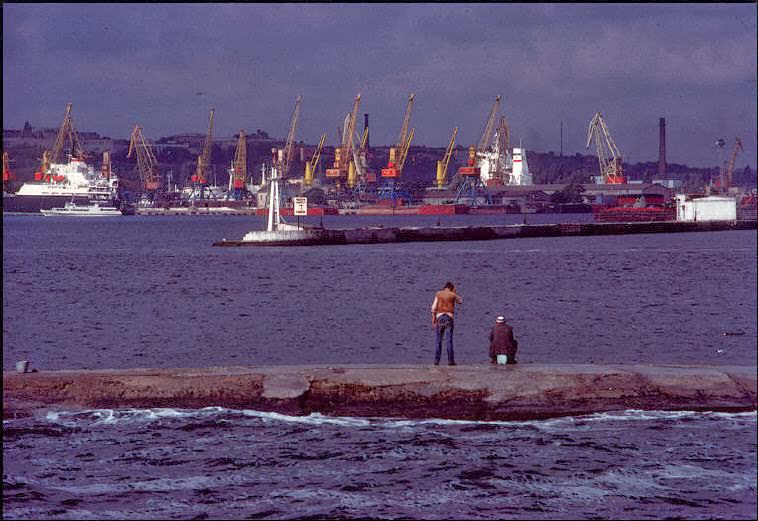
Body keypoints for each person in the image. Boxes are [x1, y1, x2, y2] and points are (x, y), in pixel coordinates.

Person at [430, 281, 463, 366]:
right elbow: (460, 301)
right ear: (451, 288)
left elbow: (433, 308)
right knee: (449, 340)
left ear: (444, 287)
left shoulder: (438, 294)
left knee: (438, 340)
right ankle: (450, 361)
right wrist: (455, 293)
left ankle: (436, 360)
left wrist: (433, 320)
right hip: (449, 317)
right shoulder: (453, 295)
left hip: (439, 317)